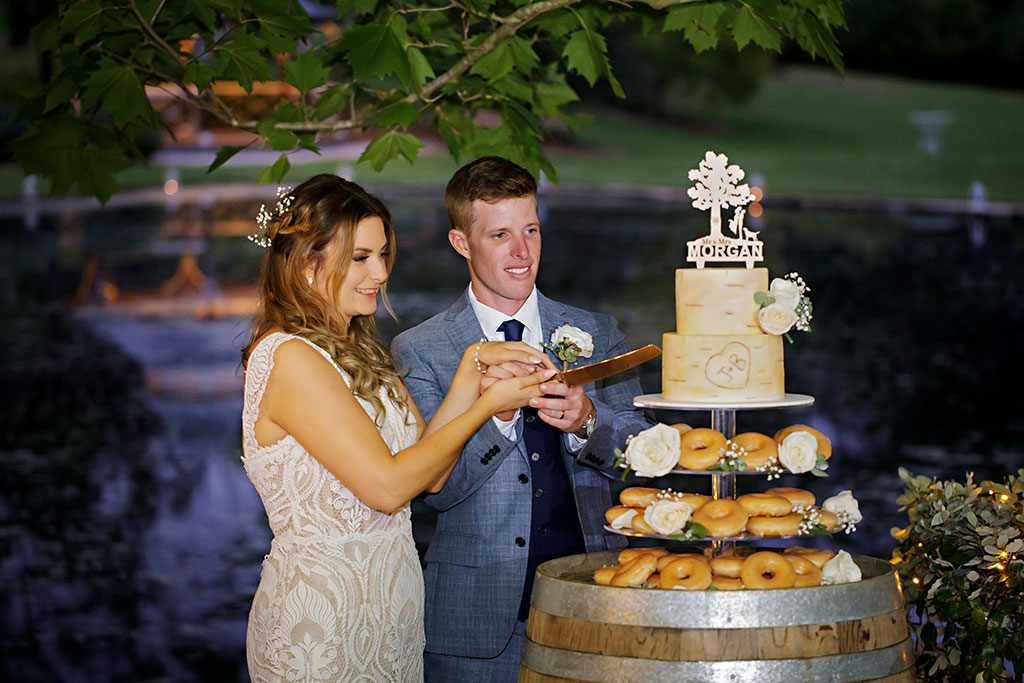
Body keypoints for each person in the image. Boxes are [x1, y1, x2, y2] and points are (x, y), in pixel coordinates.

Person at [239, 174, 556, 682]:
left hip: (392, 613)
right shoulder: (290, 357)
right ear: (306, 262)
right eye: (359, 257)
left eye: (383, 255)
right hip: (322, 622)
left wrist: (471, 367)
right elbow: (387, 488)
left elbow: (427, 470)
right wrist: (485, 406)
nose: (379, 272)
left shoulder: (365, 353)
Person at [391, 157, 653, 681]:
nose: (522, 252)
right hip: (476, 624)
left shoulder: (596, 331)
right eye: (500, 235)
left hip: (597, 608)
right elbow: (436, 491)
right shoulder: (422, 349)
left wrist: (586, 420)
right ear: (461, 243)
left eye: (531, 230)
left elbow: (647, 459)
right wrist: (497, 418)